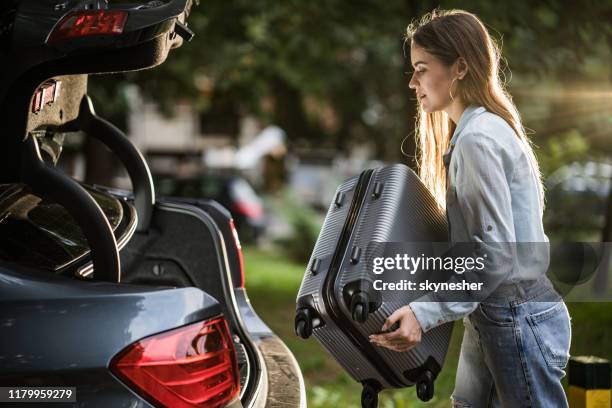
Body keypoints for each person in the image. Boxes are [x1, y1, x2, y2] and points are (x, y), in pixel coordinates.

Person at [368, 9, 572, 407]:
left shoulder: (478, 139)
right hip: (502, 312)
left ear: (459, 67)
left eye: (422, 69)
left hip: (514, 316)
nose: (413, 82)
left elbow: (493, 256)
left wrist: (424, 313)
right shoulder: (483, 130)